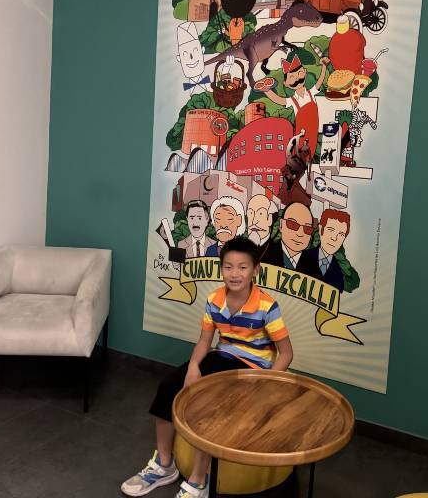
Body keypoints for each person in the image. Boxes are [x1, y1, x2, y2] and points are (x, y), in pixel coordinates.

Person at [121, 237, 293, 498]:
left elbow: (286, 353)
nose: (235, 274)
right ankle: (164, 464)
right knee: (168, 387)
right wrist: (193, 366)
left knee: (210, 405)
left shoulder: (268, 306)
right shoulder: (214, 299)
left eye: (242, 267)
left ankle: (199, 481)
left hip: (252, 370)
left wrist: (265, 383)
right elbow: (204, 340)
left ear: (255, 270)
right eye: (228, 267)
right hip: (221, 357)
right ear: (221, 268)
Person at [263, 53, 329, 155]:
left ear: (305, 72)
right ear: (286, 83)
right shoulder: (292, 100)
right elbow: (278, 99)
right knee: (301, 153)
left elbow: (320, 80)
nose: (297, 79)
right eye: (291, 78)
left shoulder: (311, 93)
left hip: (314, 129)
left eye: (300, 73)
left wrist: (324, 66)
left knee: (312, 150)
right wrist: (266, 90)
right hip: (301, 133)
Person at [261, 202, 319, 277]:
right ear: (281, 225)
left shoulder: (313, 267)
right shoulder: (264, 253)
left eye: (307, 229)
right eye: (293, 225)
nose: (300, 234)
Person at [306, 208, 350, 292]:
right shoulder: (303, 257)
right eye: (331, 230)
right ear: (320, 229)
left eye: (341, 234)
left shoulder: (339, 273)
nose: (334, 238)